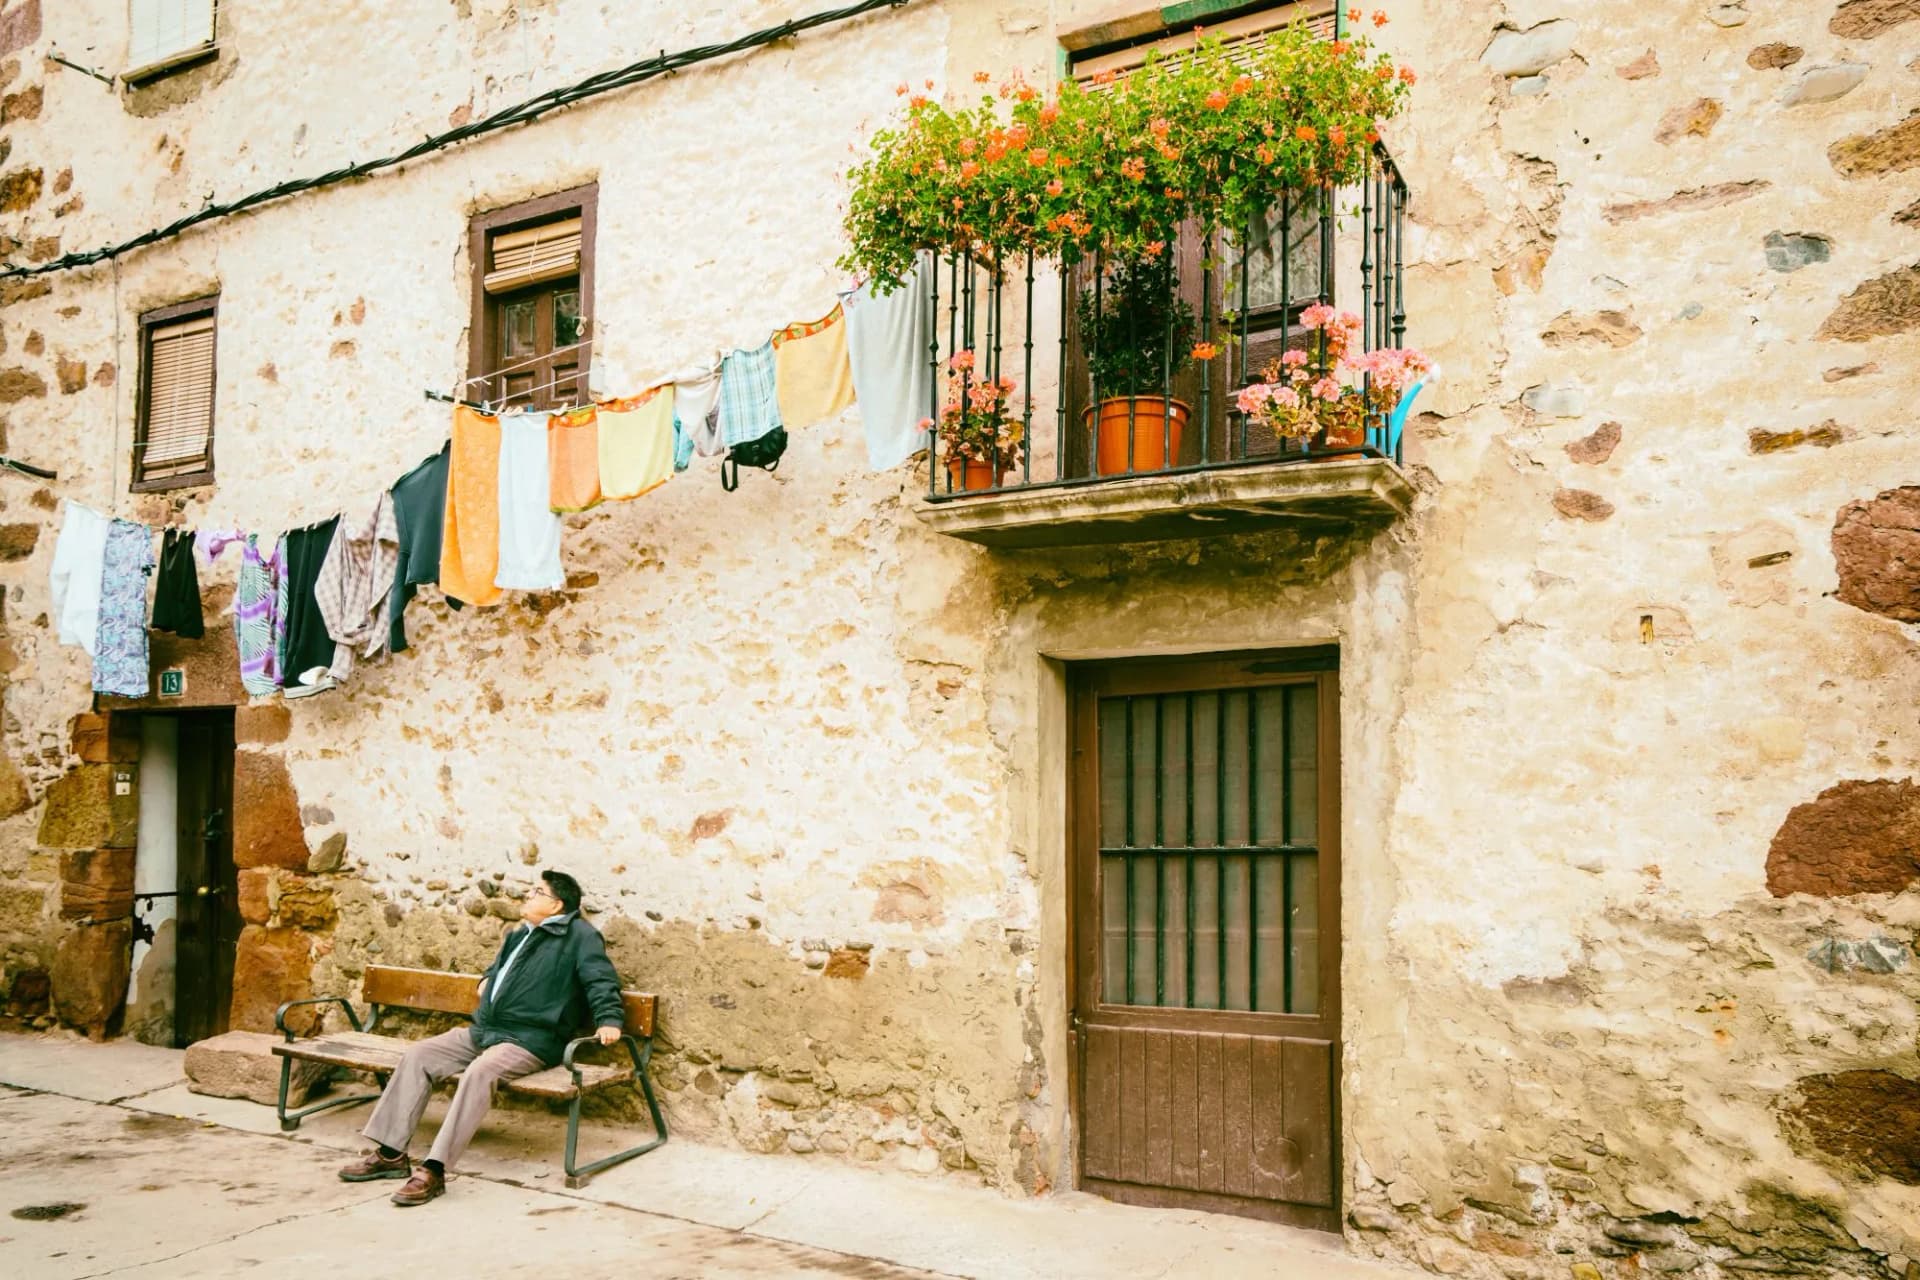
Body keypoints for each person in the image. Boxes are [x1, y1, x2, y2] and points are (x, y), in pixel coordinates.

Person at [336, 869, 626, 1206]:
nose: (527, 896)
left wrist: (609, 1018)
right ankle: (389, 1155)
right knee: (419, 1055)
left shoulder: (581, 937)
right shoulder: (520, 934)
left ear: (556, 904)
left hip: (531, 1040)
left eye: (536, 891)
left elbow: (600, 980)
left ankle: (434, 1168)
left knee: (479, 1072)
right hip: (485, 1030)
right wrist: (484, 982)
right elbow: (498, 969)